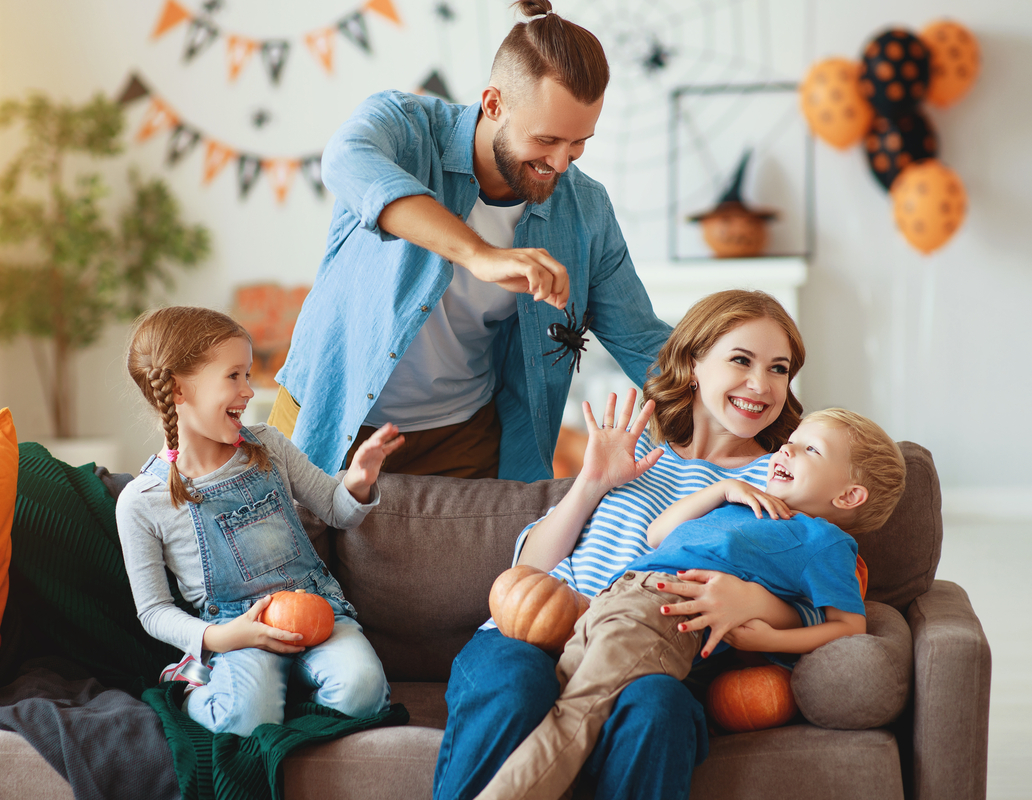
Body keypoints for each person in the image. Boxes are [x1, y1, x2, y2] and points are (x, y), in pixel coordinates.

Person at [433, 289, 817, 800]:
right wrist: (591, 483)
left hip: (652, 658)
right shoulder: (634, 446)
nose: (760, 384)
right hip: (538, 633)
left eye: (778, 369)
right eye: (741, 360)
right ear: (694, 362)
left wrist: (754, 602)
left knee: (659, 710)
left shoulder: (778, 481)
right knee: (515, 685)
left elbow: (813, 597)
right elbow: (527, 571)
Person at [269, 0, 672, 482]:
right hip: (327, 413)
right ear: (493, 104)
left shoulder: (586, 209)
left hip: (461, 439)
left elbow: (645, 343)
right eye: (545, 140)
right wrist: (480, 255)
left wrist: (756, 417)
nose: (562, 163)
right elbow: (344, 161)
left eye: (579, 142)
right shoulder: (406, 128)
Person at [474, 407, 907, 800]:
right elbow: (658, 534)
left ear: (849, 496)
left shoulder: (827, 542)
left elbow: (850, 625)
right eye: (791, 440)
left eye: (809, 449)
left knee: (576, 713)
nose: (787, 450)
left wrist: (773, 636)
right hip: (610, 600)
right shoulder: (750, 504)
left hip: (662, 613)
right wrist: (722, 490)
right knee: (564, 698)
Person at [116, 306, 404, 736]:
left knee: (362, 693)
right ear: (178, 389)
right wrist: (220, 640)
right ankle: (192, 686)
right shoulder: (141, 501)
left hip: (317, 613)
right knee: (244, 721)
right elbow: (155, 611)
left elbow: (336, 510)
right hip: (237, 632)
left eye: (248, 375)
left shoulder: (269, 445)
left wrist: (359, 480)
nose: (249, 390)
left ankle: (285, 693)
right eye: (234, 376)